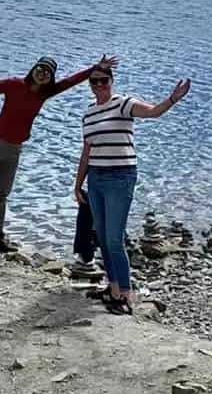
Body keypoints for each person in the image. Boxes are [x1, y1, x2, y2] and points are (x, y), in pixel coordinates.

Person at [0, 52, 117, 251]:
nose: (43, 73)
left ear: (50, 78)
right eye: (40, 68)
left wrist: (95, 67)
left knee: (1, 194)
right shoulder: (15, 84)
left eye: (48, 72)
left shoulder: (44, 93)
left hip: (14, 150)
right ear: (33, 69)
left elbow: (70, 81)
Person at [74, 64, 191, 314]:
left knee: (114, 239)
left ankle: (126, 295)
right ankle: (113, 289)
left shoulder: (123, 104)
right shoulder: (89, 114)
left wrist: (173, 99)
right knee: (102, 237)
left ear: (111, 81)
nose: (99, 85)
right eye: (94, 81)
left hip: (120, 177)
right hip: (95, 178)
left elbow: (153, 112)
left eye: (103, 80)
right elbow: (86, 152)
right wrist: (78, 184)